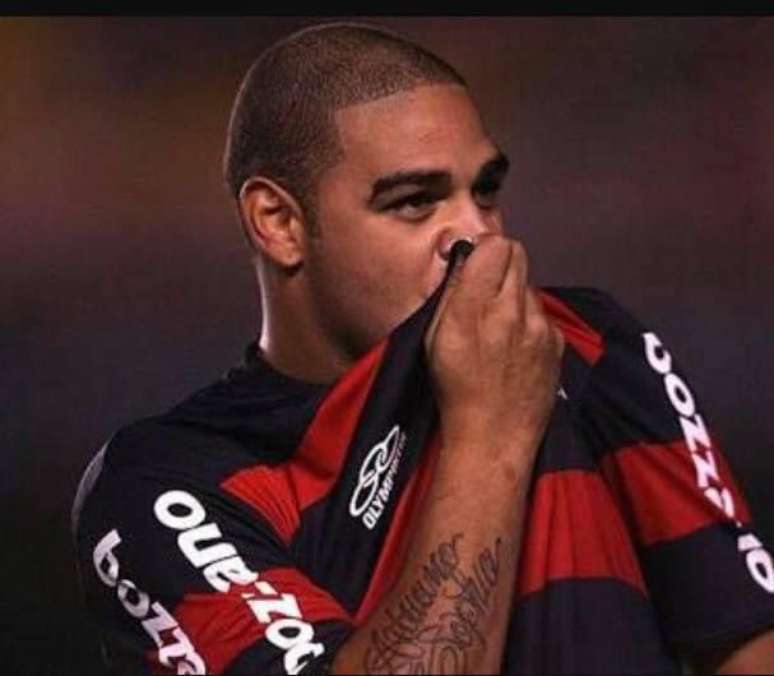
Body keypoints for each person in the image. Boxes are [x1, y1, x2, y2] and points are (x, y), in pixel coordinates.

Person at [73, 22, 774, 674]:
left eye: (486, 192)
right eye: (414, 201)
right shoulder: (166, 486)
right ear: (279, 222)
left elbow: (747, 644)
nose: (477, 235)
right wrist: (490, 432)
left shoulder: (591, 345)